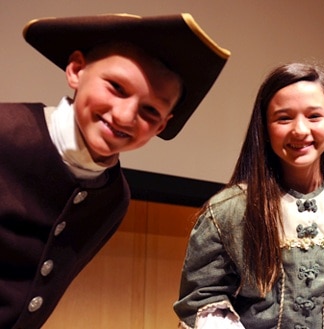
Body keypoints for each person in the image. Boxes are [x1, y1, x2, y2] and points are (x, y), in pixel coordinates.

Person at [0, 13, 230, 328]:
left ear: (162, 125)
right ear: (76, 70)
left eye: (150, 111)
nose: (124, 116)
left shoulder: (114, 197)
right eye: (117, 87)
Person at [174, 63, 324, 329]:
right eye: (284, 118)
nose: (300, 130)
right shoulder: (228, 211)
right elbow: (203, 297)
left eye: (314, 116)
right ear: (264, 127)